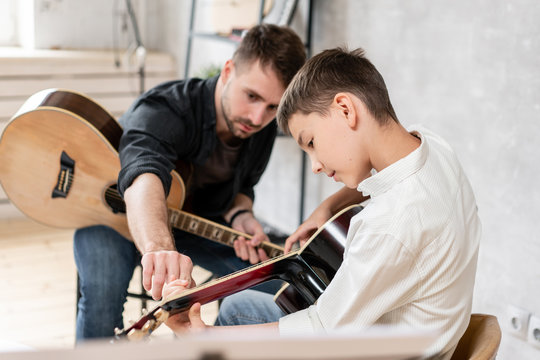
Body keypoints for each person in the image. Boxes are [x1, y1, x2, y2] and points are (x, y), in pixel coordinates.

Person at [162, 47, 481, 360]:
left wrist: (202, 335)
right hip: (420, 334)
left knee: (234, 319)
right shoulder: (432, 146)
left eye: (311, 142)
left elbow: (322, 330)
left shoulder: (390, 225)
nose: (315, 164)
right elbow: (392, 175)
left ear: (345, 109)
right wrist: (327, 209)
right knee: (239, 307)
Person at [73, 23, 306, 340]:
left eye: (272, 107)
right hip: (111, 217)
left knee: (277, 283)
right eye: (251, 96)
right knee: (102, 296)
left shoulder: (261, 128)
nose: (256, 117)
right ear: (228, 71)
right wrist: (158, 248)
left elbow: (242, 188)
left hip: (192, 227)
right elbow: (144, 175)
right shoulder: (167, 108)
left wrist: (242, 215)